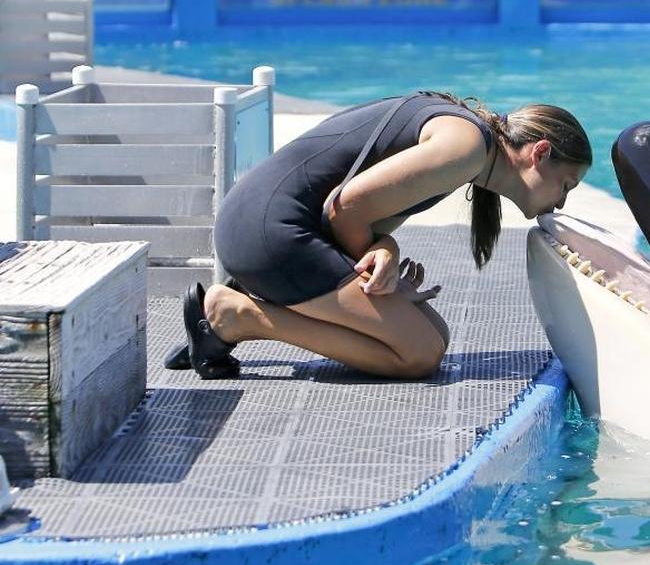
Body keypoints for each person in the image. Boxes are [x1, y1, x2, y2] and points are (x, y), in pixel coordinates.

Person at [174, 91, 592, 380]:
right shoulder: (466, 148)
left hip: (261, 223)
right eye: (566, 185)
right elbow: (345, 207)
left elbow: (364, 217)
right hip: (270, 234)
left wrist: (385, 253)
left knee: (434, 336)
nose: (561, 203)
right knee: (418, 354)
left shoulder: (467, 142)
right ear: (539, 154)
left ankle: (239, 310)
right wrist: (371, 276)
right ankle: (237, 317)